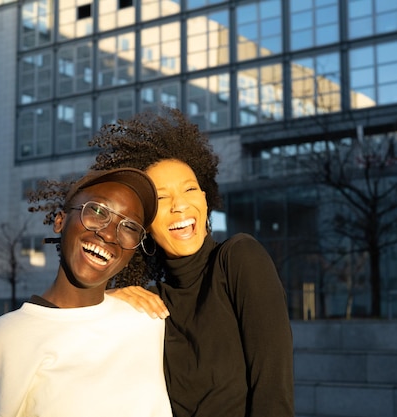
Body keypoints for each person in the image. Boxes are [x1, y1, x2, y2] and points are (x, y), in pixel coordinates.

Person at [91, 107, 295, 417]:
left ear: (205, 197)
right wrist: (106, 300)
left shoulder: (238, 258)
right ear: (142, 221)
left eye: (189, 189)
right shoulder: (150, 302)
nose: (180, 205)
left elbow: (273, 396)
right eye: (161, 198)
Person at [0, 168, 172, 417]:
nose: (110, 234)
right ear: (60, 221)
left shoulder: (145, 319)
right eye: (98, 211)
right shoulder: (7, 337)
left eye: (129, 227)